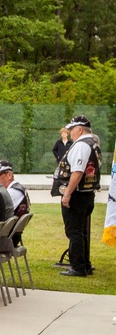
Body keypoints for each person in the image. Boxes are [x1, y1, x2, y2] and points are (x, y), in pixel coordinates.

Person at [57, 116, 102, 277]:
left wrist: (67, 194)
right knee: (81, 231)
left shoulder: (82, 145)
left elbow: (77, 172)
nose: (69, 133)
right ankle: (84, 264)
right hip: (87, 194)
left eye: (71, 129)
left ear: (80, 129)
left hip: (77, 195)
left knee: (74, 232)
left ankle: (78, 267)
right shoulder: (93, 143)